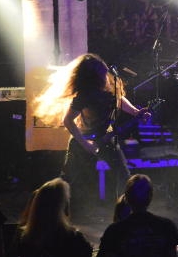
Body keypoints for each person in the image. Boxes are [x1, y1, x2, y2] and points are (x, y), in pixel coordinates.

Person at [33, 53, 151, 214]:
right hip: (82, 140)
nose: (106, 75)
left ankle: (124, 213)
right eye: (102, 72)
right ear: (93, 76)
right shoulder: (83, 96)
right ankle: (49, 212)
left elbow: (119, 99)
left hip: (106, 140)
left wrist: (137, 112)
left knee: (123, 175)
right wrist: (85, 143)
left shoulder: (109, 90)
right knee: (66, 180)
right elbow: (67, 120)